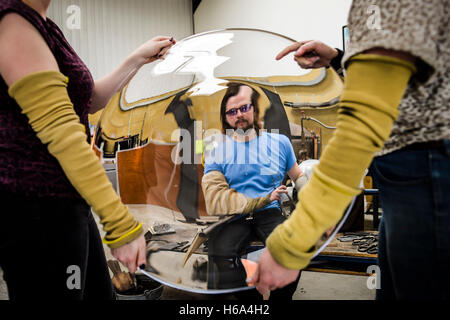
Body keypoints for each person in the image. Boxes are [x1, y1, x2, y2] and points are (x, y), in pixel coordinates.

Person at [249, 0, 449, 300]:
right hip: (405, 177)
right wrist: (339, 59)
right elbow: (406, 82)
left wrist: (292, 243)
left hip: (425, 175)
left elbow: (364, 122)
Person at [0, 0, 175, 299]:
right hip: (36, 210)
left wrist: (137, 59)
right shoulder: (11, 19)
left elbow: (90, 99)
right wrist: (120, 223)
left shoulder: (47, 26)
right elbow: (62, 130)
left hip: (68, 201)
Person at [202, 82, 307, 299]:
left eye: (244, 108)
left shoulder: (280, 142)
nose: (238, 114)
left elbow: (298, 176)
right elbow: (213, 194)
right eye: (231, 111)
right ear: (225, 117)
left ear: (254, 109)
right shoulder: (215, 149)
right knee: (219, 252)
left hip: (269, 211)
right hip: (234, 215)